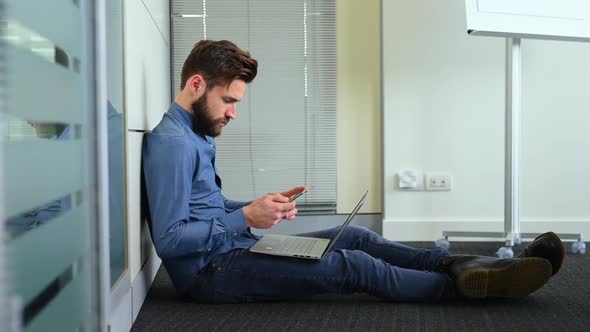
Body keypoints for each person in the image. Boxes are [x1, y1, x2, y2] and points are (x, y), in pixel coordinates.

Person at [142, 40, 565, 303]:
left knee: (358, 235)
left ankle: (469, 262)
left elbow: (204, 208)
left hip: (235, 248)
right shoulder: (173, 144)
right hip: (210, 275)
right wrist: (244, 218)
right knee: (353, 264)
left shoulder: (196, 133)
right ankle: (469, 285)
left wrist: (257, 207)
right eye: (229, 100)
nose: (233, 113)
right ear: (196, 85)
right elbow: (172, 240)